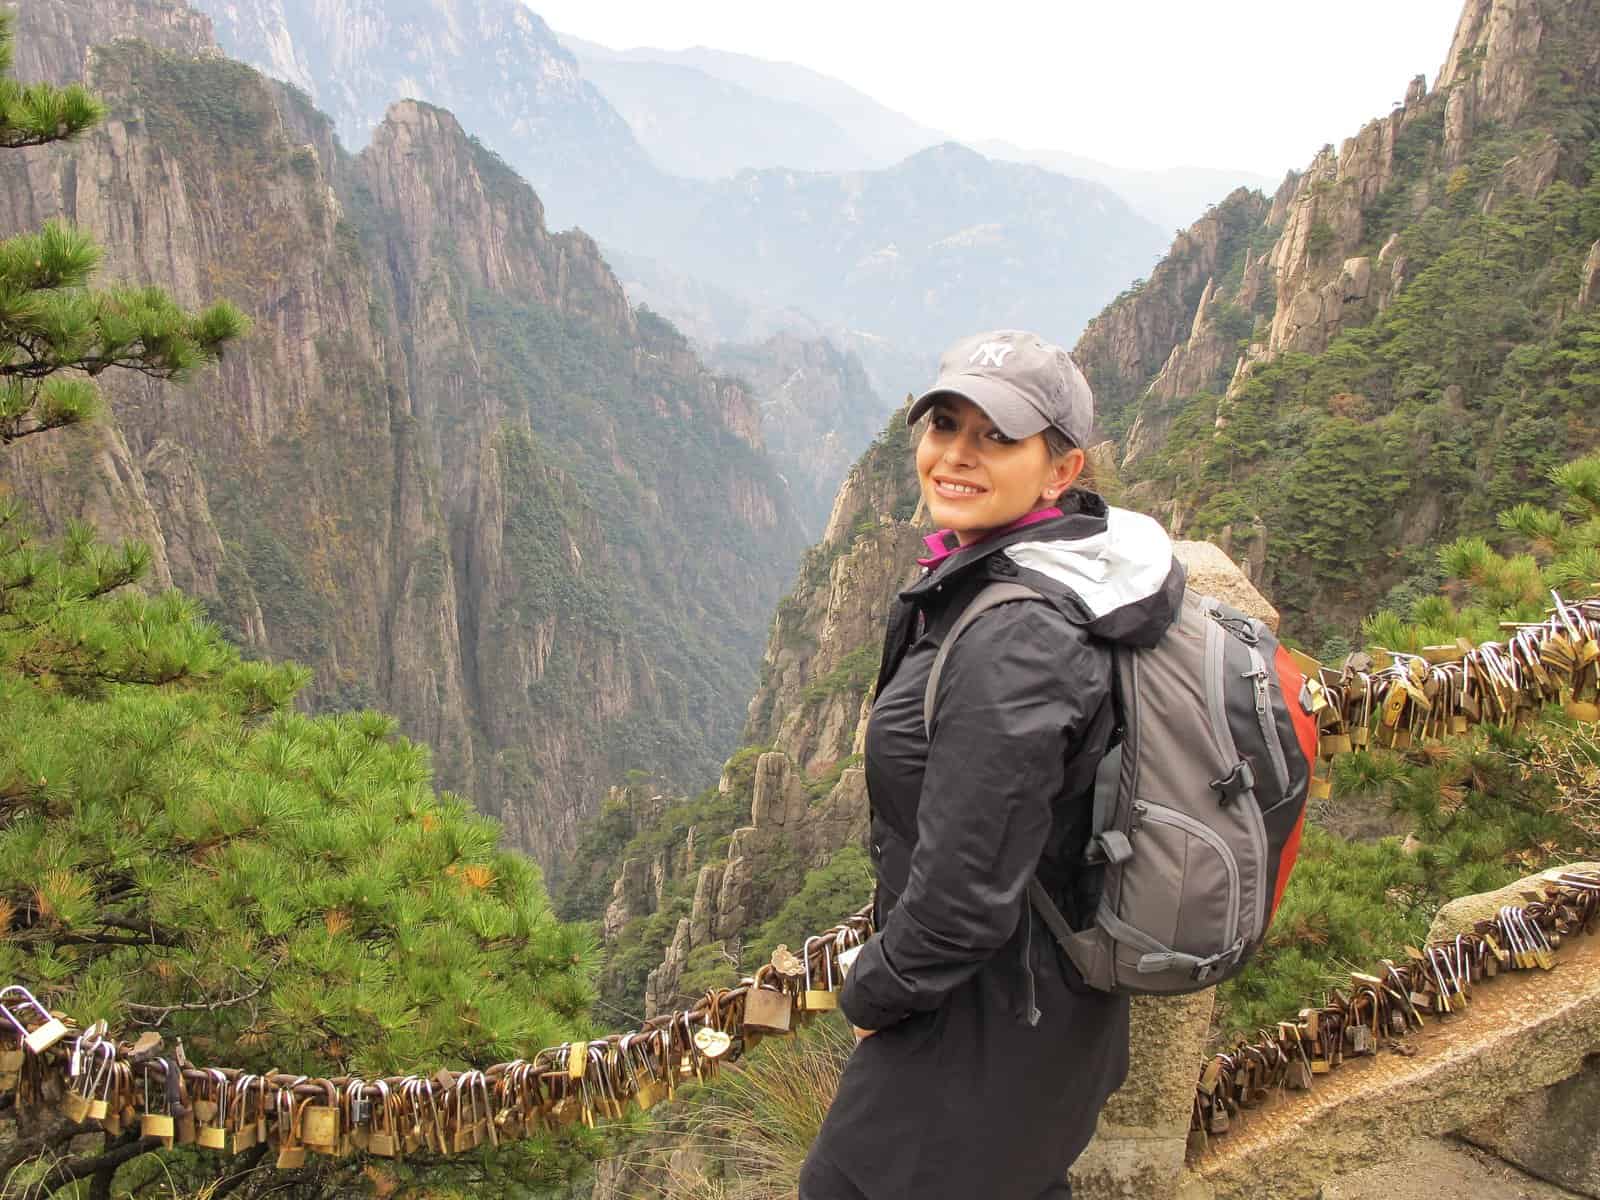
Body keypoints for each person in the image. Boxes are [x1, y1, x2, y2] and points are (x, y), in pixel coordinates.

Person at [797, 330, 1184, 1200]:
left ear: (1062, 469)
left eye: (998, 437)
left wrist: (874, 996)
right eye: (945, 425)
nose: (957, 455)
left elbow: (966, 891)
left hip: (987, 1022)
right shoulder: (1032, 576)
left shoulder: (1019, 636)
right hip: (1041, 1012)